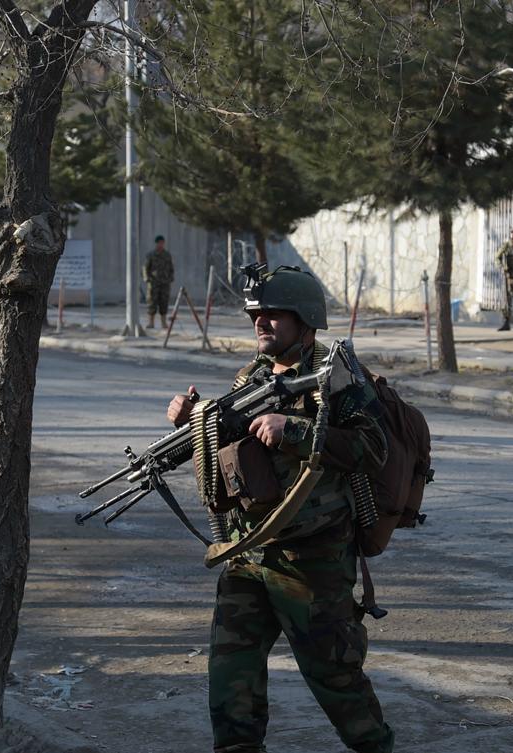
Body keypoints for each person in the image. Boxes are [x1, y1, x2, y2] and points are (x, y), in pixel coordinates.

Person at [166, 266, 395, 753]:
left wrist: (293, 431)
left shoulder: (338, 377)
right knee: (231, 674)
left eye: (274, 314)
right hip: (248, 551)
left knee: (334, 676)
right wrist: (197, 419)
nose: (261, 322)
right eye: (256, 314)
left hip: (312, 559)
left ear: (306, 319)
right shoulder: (251, 375)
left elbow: (374, 448)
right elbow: (232, 441)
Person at [144, 234, 174, 328]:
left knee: (164, 303)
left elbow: (171, 268)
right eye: (159, 243)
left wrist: (170, 278)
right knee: (152, 303)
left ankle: (164, 323)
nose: (161, 244)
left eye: (162, 243)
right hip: (154, 283)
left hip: (165, 283)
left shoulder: (167, 255)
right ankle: (151, 323)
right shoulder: (151, 255)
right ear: (156, 243)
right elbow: (145, 268)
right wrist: (147, 278)